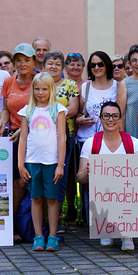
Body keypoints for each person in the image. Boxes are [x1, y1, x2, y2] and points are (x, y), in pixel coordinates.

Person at [76, 101, 138, 251]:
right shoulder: (91, 143)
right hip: (102, 198)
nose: (110, 120)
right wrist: (88, 171)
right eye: (106, 116)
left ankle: (127, 232)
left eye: (114, 116)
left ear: (120, 119)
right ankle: (106, 229)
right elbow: (80, 178)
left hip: (127, 195)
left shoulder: (133, 143)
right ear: (100, 119)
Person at [17, 72, 67, 252]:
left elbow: (62, 138)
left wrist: (60, 164)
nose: (40, 92)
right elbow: (23, 139)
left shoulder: (58, 110)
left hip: (51, 162)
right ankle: (38, 236)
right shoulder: (27, 111)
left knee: (52, 200)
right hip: (32, 161)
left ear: (51, 90)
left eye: (44, 89)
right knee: (36, 198)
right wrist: (21, 164)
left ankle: (52, 236)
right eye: (37, 89)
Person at [76, 51, 127, 223]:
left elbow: (122, 115)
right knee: (89, 179)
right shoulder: (85, 87)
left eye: (100, 64)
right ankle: (91, 219)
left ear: (107, 66)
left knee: (111, 181)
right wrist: (80, 120)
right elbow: (77, 114)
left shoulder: (118, 86)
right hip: (88, 140)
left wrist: (123, 140)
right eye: (93, 65)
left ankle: (112, 217)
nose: (96, 68)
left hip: (111, 140)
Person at [0, 43, 36, 241]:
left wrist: (22, 129)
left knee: (22, 182)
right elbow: (5, 109)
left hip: (34, 137)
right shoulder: (9, 81)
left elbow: (42, 111)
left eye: (27, 60)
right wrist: (2, 122)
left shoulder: (39, 81)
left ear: (34, 61)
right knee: (10, 183)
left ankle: (20, 225)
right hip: (11, 137)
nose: (22, 63)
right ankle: (8, 225)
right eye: (18, 60)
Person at [43, 51, 80, 220]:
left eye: (57, 64)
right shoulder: (39, 83)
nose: (54, 67)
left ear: (62, 67)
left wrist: (51, 118)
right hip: (41, 137)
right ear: (44, 66)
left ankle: (56, 219)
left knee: (61, 176)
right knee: (45, 176)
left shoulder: (70, 84)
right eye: (50, 63)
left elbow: (73, 108)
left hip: (65, 136)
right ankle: (43, 217)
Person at [63, 52, 87, 222]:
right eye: (72, 64)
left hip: (86, 134)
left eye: (78, 64)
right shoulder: (62, 85)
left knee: (86, 171)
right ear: (66, 68)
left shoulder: (88, 85)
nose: (75, 67)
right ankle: (71, 206)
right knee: (71, 174)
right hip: (69, 134)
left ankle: (87, 206)